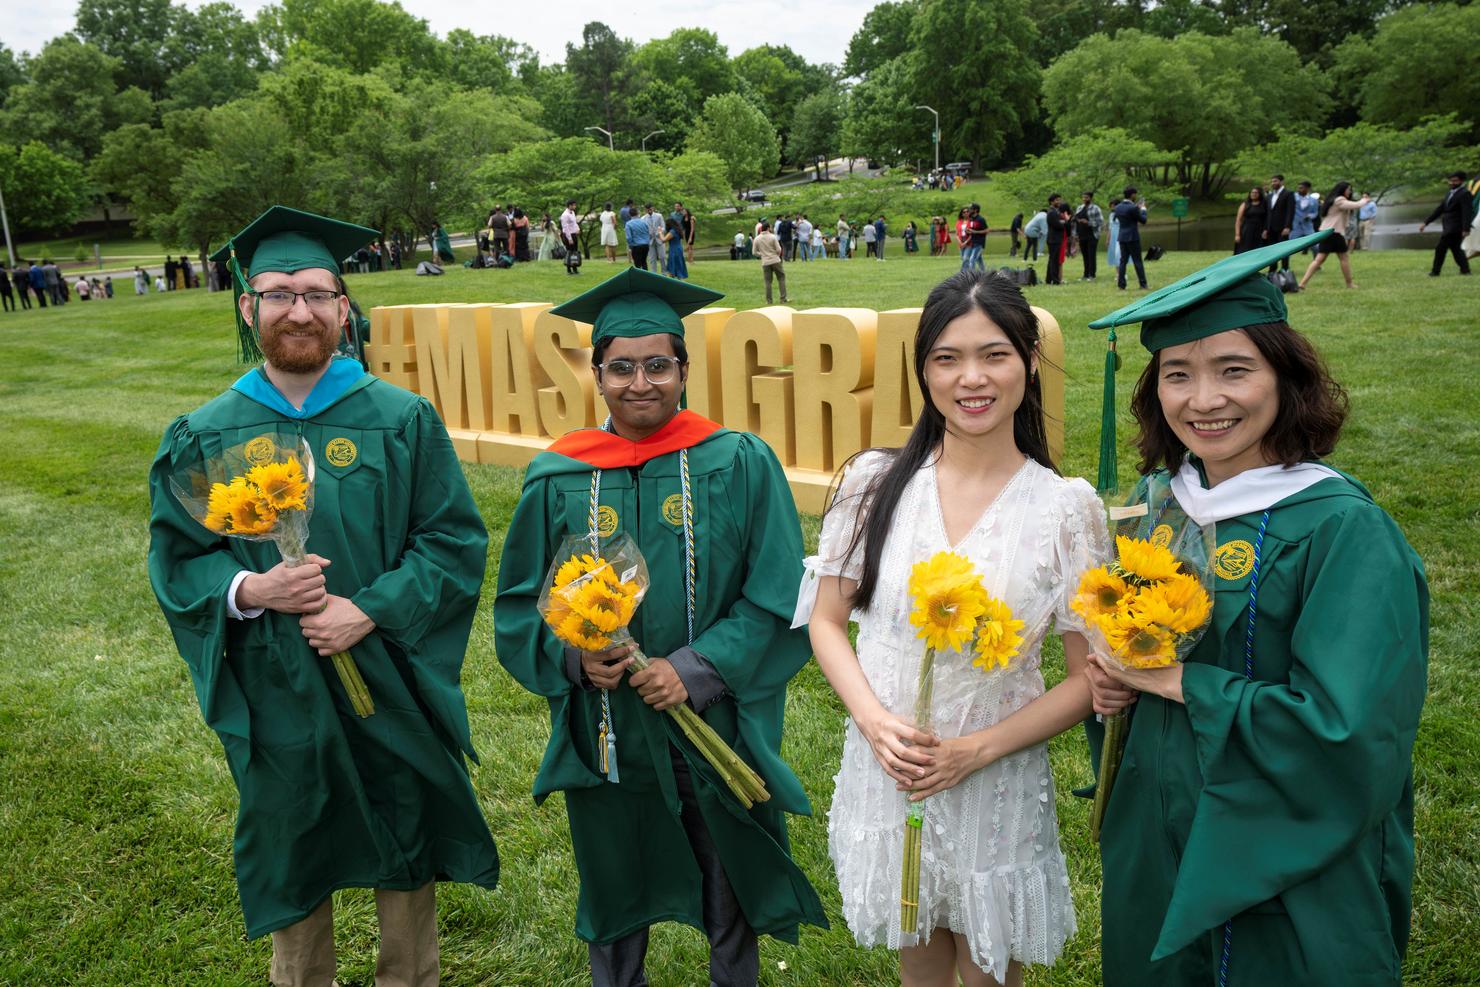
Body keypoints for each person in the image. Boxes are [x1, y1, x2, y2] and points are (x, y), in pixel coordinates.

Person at [147, 206, 499, 987]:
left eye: (315, 293)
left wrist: (366, 608)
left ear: (345, 307)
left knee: (404, 831)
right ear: (249, 308)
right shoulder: (208, 431)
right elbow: (177, 560)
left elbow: (451, 540)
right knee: (295, 844)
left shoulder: (401, 418)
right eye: (277, 294)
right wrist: (250, 587)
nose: (297, 310)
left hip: (386, 673)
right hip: (277, 684)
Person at [1084, 231, 1426, 986]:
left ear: (1286, 376)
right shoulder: (1157, 506)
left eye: (1234, 369)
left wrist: (1173, 681)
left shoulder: (1341, 528)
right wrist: (1113, 690)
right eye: (1178, 374)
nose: (1203, 400)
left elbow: (1349, 734)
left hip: (1288, 858)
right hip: (1156, 837)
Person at [494, 267, 826, 987]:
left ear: (683, 369)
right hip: (607, 726)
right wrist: (577, 661)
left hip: (713, 719)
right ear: (596, 372)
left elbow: (778, 593)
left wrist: (699, 667)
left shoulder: (737, 461)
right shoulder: (558, 475)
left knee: (729, 870)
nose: (639, 382)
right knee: (614, 874)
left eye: (657, 365)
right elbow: (519, 604)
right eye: (621, 367)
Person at [802, 269, 1108, 987]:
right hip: (890, 768)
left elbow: (1090, 677)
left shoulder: (1065, 509)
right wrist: (874, 721)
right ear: (923, 371)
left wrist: (974, 750)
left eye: (994, 354)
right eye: (947, 357)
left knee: (987, 972)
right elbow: (825, 620)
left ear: (1029, 362)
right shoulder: (873, 483)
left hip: (994, 775)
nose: (971, 377)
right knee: (920, 961)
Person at [1298, 181, 1367, 290]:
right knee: (1343, 257)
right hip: (1334, 233)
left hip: (1327, 232)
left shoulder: (1332, 199)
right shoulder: (1339, 200)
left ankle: (1302, 284)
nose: (1350, 192)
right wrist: (1365, 199)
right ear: (1342, 190)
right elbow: (1356, 205)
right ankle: (1349, 284)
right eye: (1348, 189)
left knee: (1319, 259)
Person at [1417, 171, 1473, 276]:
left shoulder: (1465, 193)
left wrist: (1466, 229)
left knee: (1440, 249)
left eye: (1455, 181)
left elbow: (1467, 212)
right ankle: (1465, 270)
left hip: (1455, 227)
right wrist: (1426, 222)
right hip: (1448, 225)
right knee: (1456, 249)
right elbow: (1440, 209)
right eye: (1450, 180)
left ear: (1461, 181)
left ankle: (1435, 272)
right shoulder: (1449, 193)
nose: (1451, 183)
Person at [1112, 187, 1149, 290]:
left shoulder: (1118, 207)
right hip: (1132, 237)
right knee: (1137, 261)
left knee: (1123, 261)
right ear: (1132, 195)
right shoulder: (1133, 208)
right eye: (1135, 194)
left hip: (1122, 237)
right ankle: (1143, 284)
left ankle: (1121, 284)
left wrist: (1136, 208)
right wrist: (1143, 209)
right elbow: (1143, 220)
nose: (1135, 196)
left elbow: (1127, 215)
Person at [1263, 175, 1295, 272]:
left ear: (1281, 182)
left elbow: (1290, 211)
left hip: (1282, 228)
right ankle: (1272, 270)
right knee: (1272, 250)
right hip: (1270, 228)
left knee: (1284, 249)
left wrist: (1288, 226)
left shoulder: (1288, 194)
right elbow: (1268, 213)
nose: (1273, 183)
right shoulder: (1270, 196)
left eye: (1275, 181)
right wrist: (1265, 228)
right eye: (1272, 181)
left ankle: (1285, 269)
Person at [753, 220, 788, 304]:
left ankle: (769, 301)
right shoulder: (773, 237)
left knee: (768, 282)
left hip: (765, 262)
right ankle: (783, 299)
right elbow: (779, 249)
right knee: (781, 278)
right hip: (775, 260)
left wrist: (762, 254)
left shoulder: (757, 238)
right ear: (768, 228)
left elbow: (754, 252)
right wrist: (776, 254)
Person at [1075, 191, 1103, 281]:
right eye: (1083, 197)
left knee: (1091, 255)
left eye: (1086, 197)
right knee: (1085, 255)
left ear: (1090, 198)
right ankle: (1085, 274)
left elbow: (1100, 222)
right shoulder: (1079, 208)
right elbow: (1075, 221)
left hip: (1092, 235)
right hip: (1082, 235)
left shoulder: (1096, 208)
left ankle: (1092, 275)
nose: (1084, 199)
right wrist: (1075, 233)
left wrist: (1088, 222)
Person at [1234, 187, 1267, 254]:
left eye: (1256, 193)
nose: (1253, 194)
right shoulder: (1245, 204)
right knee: (1244, 250)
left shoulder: (1264, 204)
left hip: (1259, 231)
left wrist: (1265, 230)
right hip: (1246, 231)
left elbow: (1267, 218)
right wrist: (1237, 234)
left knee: (1258, 251)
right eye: (1252, 192)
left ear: (1260, 194)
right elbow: (1238, 220)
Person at [1045, 194, 1069, 285]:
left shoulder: (1055, 211)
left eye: (1059, 200)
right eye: (1057, 200)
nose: (1059, 202)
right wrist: (1065, 222)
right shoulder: (1052, 212)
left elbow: (1059, 223)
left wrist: (1062, 222)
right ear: (1052, 202)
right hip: (1054, 239)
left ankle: (1049, 279)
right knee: (1054, 261)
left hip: (1055, 239)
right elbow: (1058, 225)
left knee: (1052, 259)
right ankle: (1055, 280)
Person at [1289, 182, 1319, 250]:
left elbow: (1315, 212)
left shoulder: (1313, 200)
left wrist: (1310, 216)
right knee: (1288, 246)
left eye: (1301, 188)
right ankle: (1285, 261)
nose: (1299, 189)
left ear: (1307, 189)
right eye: (1298, 188)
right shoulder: (1292, 197)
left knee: (1316, 246)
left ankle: (1317, 260)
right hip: (1295, 226)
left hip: (1308, 226)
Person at [961, 204, 988, 273]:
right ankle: (984, 273)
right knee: (979, 259)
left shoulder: (981, 219)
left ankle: (972, 276)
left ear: (975, 210)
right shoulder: (971, 219)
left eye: (970, 209)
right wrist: (968, 231)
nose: (969, 210)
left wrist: (975, 232)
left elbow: (986, 230)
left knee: (972, 259)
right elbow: (972, 230)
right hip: (972, 242)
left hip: (979, 243)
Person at [663, 214, 688, 280]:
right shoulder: (677, 230)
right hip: (678, 248)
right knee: (678, 263)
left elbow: (664, 240)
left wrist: (659, 232)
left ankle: (677, 278)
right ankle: (677, 278)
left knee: (673, 263)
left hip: (674, 249)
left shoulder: (672, 231)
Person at [645, 204, 666, 273]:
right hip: (650, 240)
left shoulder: (659, 216)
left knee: (662, 257)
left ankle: (664, 273)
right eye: (647, 209)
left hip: (659, 239)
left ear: (653, 208)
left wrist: (659, 232)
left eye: (650, 209)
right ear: (645, 210)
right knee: (652, 259)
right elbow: (644, 230)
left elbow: (663, 227)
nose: (649, 210)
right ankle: (654, 273)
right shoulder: (643, 218)